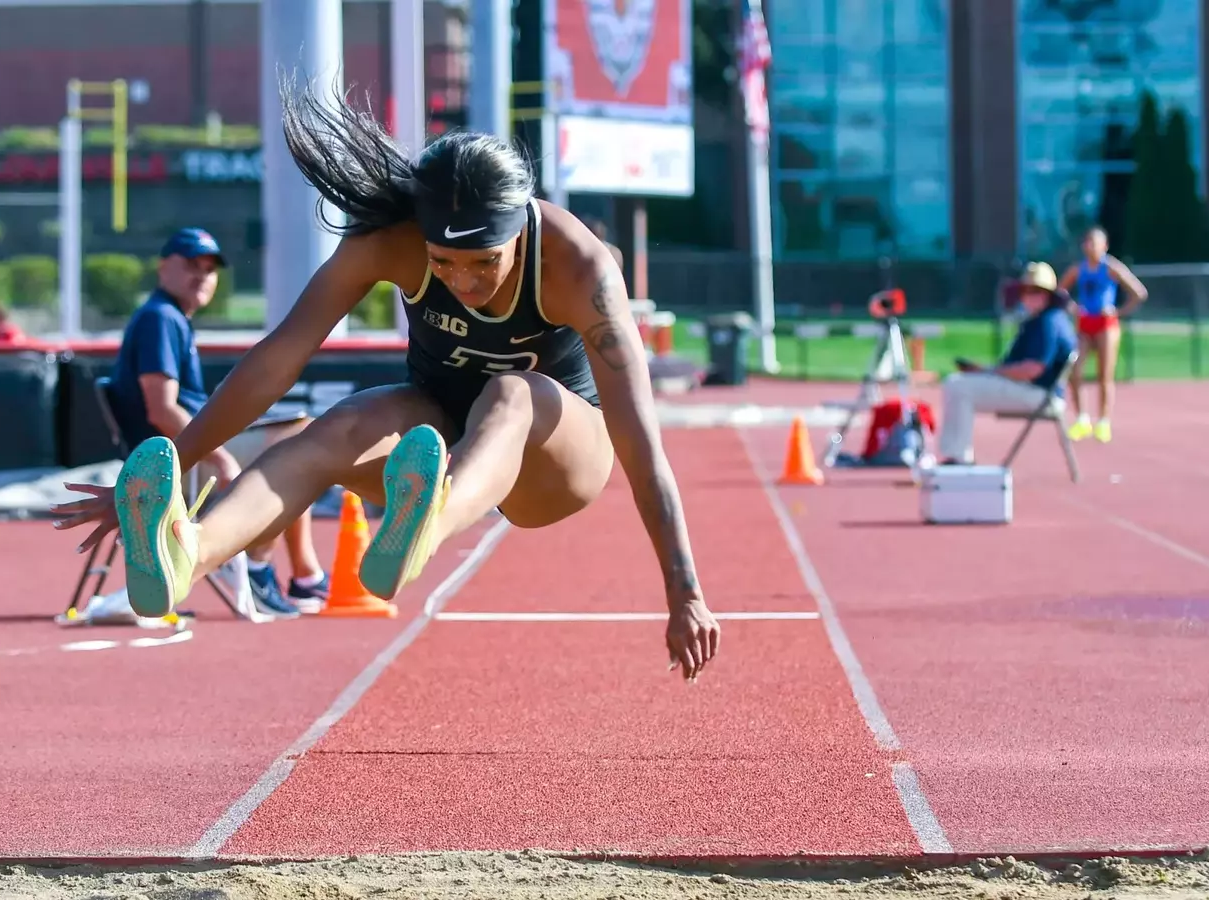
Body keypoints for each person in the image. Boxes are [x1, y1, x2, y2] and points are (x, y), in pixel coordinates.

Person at [53, 82, 722, 683]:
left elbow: (641, 444)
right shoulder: (389, 240)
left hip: (555, 463)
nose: (464, 282)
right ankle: (184, 556)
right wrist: (177, 463)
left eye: (484, 262)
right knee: (333, 430)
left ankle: (425, 524)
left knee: (511, 392)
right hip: (435, 435)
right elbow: (279, 356)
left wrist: (683, 587)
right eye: (445, 262)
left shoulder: (579, 266)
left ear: (521, 227)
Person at [98, 227, 330, 619]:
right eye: (191, 264)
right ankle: (260, 566)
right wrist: (220, 458)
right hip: (172, 459)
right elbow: (162, 410)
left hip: (174, 452)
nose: (201, 275)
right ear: (162, 268)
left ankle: (301, 572)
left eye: (209, 269)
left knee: (299, 437)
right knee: (295, 445)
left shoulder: (170, 317)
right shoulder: (160, 318)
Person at [934, 262, 1077, 465]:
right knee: (959, 383)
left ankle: (957, 457)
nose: (1029, 295)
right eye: (1026, 290)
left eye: (1036, 290)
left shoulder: (1048, 322)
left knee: (958, 386)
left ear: (1049, 295)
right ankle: (959, 454)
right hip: (1034, 391)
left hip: (1040, 394)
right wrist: (985, 371)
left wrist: (989, 371)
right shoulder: (1041, 320)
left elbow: (1033, 370)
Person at [1058, 226, 1147, 443]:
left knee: (1104, 374)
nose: (1090, 246)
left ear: (1104, 246)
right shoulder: (1078, 270)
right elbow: (1059, 292)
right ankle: (1082, 419)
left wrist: (1119, 311)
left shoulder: (1111, 267)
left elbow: (1139, 292)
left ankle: (1104, 422)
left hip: (1106, 324)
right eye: (1087, 242)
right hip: (1085, 323)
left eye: (1095, 242)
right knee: (1074, 368)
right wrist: (1072, 307)